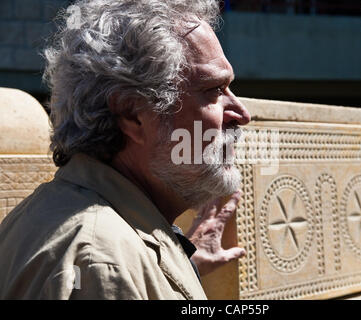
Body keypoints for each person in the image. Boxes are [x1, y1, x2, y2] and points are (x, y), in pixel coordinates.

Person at [0, 0, 251, 299]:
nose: (241, 113)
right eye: (213, 90)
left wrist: (180, 267)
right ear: (133, 115)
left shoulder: (82, 224)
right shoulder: (102, 264)